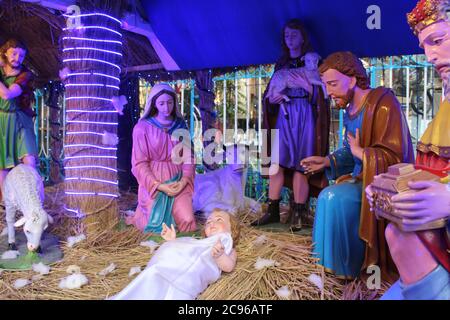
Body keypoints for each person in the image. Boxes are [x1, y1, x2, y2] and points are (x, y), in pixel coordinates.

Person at [301, 51, 414, 280]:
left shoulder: (383, 103)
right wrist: (327, 161)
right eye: (325, 86)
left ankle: (346, 269)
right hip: (360, 179)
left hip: (380, 185)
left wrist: (363, 153)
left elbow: (396, 155)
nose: (328, 92)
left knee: (333, 198)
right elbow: (350, 151)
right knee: (328, 196)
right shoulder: (350, 111)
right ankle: (324, 270)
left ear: (352, 79)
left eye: (332, 84)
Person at [366, 0, 449, 300]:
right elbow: (433, 167)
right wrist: (387, 189)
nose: (429, 56)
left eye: (437, 41)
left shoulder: (383, 104)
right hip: (429, 250)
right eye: (425, 46)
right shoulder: (446, 103)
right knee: (395, 234)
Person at [252, 19, 330, 231]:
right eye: (287, 35)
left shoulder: (315, 62)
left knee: (302, 164)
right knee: (277, 161)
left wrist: (310, 89)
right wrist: (272, 100)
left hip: (306, 115)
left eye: (294, 35)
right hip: (285, 118)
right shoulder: (282, 64)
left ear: (303, 37)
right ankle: (273, 210)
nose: (290, 39)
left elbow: (325, 97)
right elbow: (271, 93)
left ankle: (298, 212)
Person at [111, 209, 240, 300]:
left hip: (189, 279)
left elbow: (229, 266)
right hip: (168, 268)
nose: (212, 223)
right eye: (208, 222)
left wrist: (220, 256)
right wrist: (173, 241)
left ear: (231, 228)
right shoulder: (199, 243)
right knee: (151, 282)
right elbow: (188, 251)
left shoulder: (227, 245)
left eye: (219, 220)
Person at [126, 83, 197, 233]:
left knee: (187, 221)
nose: (166, 108)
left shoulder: (180, 126)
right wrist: (158, 185)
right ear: (154, 104)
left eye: (170, 102)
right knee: (155, 224)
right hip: (154, 182)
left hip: (178, 179)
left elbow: (189, 157)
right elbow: (139, 163)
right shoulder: (142, 128)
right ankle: (141, 217)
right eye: (161, 103)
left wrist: (184, 181)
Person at [0, 39, 38, 191]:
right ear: (5, 54)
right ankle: (5, 204)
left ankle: (33, 198)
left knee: (29, 161)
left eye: (21, 55)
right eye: (14, 53)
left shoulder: (25, 75)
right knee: (2, 164)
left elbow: (7, 94)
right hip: (2, 121)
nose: (17, 58)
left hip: (20, 120)